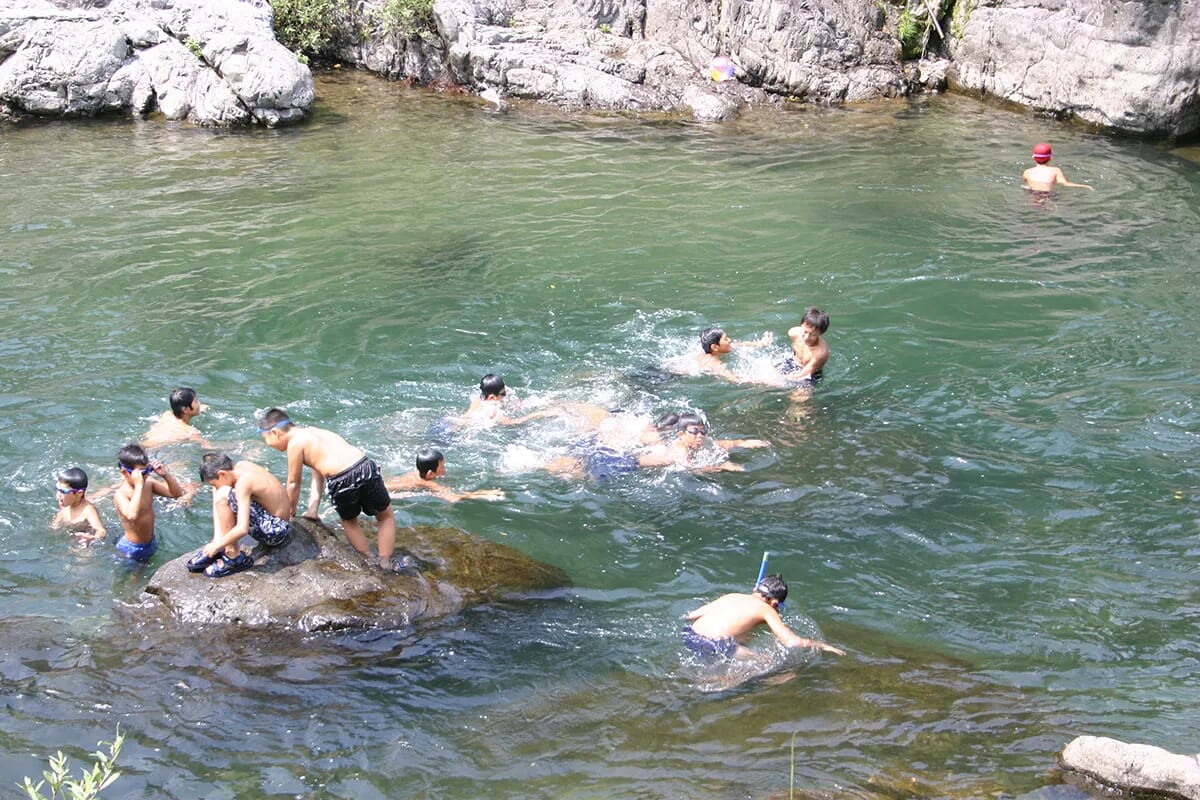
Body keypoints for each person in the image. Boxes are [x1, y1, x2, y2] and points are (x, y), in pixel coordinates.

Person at [258, 407, 400, 570]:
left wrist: (290, 513)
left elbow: (293, 483)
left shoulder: (294, 444)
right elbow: (317, 470)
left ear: (275, 433)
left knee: (350, 522)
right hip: (365, 465)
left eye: (266, 439)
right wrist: (313, 510)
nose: (268, 445)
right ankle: (385, 560)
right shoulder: (314, 432)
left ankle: (369, 558)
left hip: (342, 477)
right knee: (385, 516)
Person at [544, 412, 767, 479]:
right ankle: (539, 466)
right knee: (579, 472)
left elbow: (719, 443)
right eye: (694, 432)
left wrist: (744, 443)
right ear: (681, 434)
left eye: (702, 431)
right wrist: (725, 467)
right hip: (622, 464)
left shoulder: (699, 440)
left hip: (628, 455)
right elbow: (691, 469)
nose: (700, 435)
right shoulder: (680, 449)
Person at [683, 574, 845, 661]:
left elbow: (691, 616)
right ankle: (723, 683)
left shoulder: (731, 596)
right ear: (774, 602)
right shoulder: (767, 610)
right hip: (715, 645)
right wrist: (820, 645)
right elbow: (792, 642)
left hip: (690, 635)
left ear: (756, 589)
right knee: (765, 661)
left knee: (741, 641)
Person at [187, 452, 296, 578]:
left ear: (222, 473)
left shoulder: (243, 483)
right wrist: (218, 541)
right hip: (274, 518)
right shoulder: (241, 466)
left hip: (275, 531)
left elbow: (242, 529)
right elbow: (220, 486)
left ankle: (233, 556)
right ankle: (219, 538)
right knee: (219, 488)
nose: (214, 487)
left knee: (222, 493)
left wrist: (216, 546)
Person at [113, 444, 182, 562]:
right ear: (125, 472)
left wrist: (166, 475)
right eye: (142, 473)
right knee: (134, 578)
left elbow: (176, 494)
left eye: (148, 470)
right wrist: (139, 486)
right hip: (131, 548)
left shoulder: (148, 483)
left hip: (150, 542)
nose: (147, 475)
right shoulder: (121, 494)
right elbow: (131, 516)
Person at [385, 447, 506, 503]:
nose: (445, 468)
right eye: (442, 467)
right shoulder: (427, 483)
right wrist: (482, 494)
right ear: (430, 474)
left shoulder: (417, 472)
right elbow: (453, 498)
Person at [447, 374, 559, 429]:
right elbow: (512, 422)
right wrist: (540, 414)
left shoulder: (477, 400)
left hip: (450, 423)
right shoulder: (492, 411)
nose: (505, 396)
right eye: (503, 394)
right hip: (455, 431)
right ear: (491, 397)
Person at [667, 328, 774, 382]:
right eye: (726, 339)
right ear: (715, 347)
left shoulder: (707, 352)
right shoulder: (714, 363)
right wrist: (765, 382)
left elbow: (737, 344)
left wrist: (760, 343)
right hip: (670, 378)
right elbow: (736, 381)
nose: (730, 340)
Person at [50, 467, 107, 543]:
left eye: (63, 491)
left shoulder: (88, 510)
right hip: (73, 531)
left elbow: (101, 530)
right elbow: (59, 517)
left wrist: (93, 538)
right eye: (57, 489)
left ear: (79, 493)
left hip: (84, 533)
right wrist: (55, 526)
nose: (58, 494)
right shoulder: (65, 504)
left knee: (84, 554)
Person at [142, 387, 210, 448]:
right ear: (185, 410)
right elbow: (206, 447)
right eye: (196, 401)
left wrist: (198, 409)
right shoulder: (190, 431)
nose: (199, 403)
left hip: (144, 445)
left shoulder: (167, 415)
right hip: (152, 449)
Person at [777, 307, 830, 383]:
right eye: (805, 332)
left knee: (800, 394)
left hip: (809, 375)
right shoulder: (794, 333)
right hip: (792, 362)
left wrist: (778, 380)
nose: (806, 338)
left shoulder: (820, 353)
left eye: (813, 335)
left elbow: (802, 375)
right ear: (801, 325)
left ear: (820, 333)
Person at [1022, 142, 1093, 192]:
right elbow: (1065, 184)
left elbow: (1026, 185)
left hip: (1031, 193)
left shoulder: (1027, 172)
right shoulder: (1055, 170)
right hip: (1047, 194)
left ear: (1033, 158)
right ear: (1050, 158)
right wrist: (1085, 186)